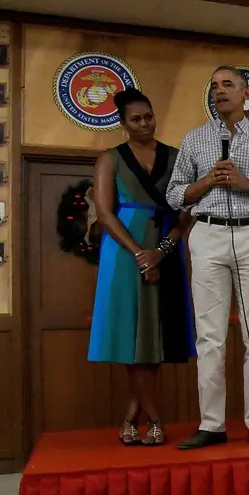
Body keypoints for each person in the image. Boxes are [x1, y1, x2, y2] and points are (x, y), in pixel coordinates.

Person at [166, 66, 249, 449]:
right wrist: (207, 181)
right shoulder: (195, 140)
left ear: (246, 94)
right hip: (206, 234)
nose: (219, 91)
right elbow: (174, 196)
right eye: (214, 86)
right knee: (210, 336)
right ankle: (212, 424)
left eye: (227, 85)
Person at [88, 89, 196, 446]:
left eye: (148, 116)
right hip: (123, 254)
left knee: (156, 338)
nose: (144, 123)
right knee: (131, 337)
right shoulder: (110, 159)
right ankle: (157, 420)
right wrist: (139, 254)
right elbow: (105, 214)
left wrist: (161, 252)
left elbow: (188, 212)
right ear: (123, 124)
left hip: (166, 250)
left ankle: (131, 420)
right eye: (135, 119)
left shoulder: (177, 158)